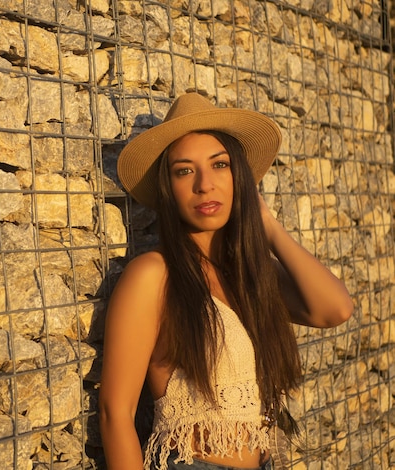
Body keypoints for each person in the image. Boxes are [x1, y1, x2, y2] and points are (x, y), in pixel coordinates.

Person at [98, 93, 353, 470]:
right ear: (169, 189)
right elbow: (114, 412)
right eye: (184, 170)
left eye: (220, 165)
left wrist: (265, 225)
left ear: (241, 178)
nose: (204, 184)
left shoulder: (251, 275)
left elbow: (335, 309)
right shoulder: (153, 274)